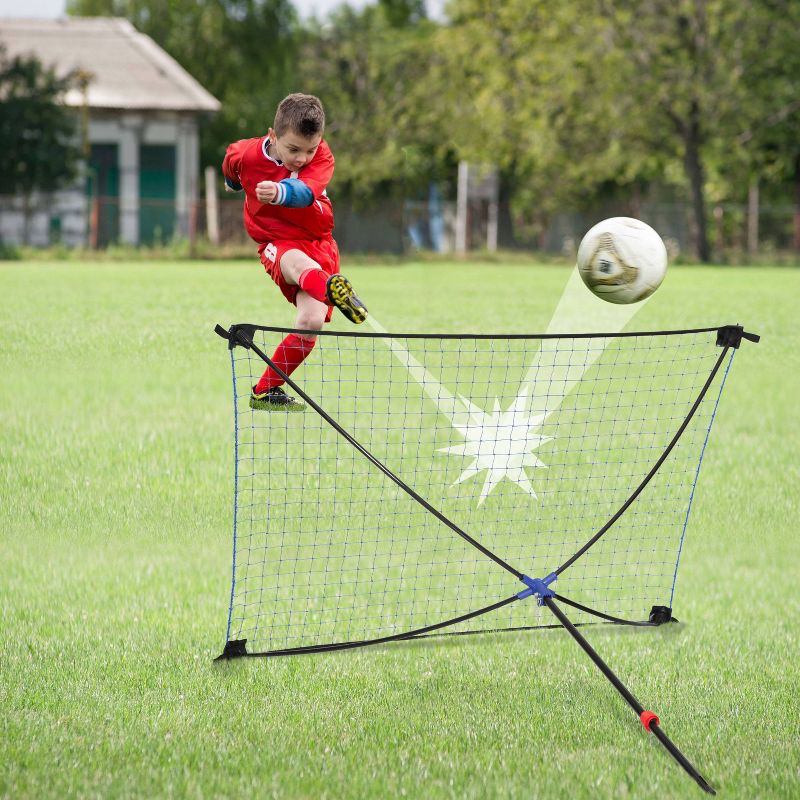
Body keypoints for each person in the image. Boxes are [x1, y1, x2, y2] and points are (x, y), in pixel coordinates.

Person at [222, 93, 368, 411]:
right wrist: (233, 184)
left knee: (310, 322)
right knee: (296, 262)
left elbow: (304, 193)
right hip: (278, 242)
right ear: (272, 136)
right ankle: (333, 291)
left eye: (310, 149)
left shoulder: (322, 156)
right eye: (293, 149)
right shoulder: (244, 153)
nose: (302, 158)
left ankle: (264, 392)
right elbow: (231, 167)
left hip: (320, 242)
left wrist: (278, 192)